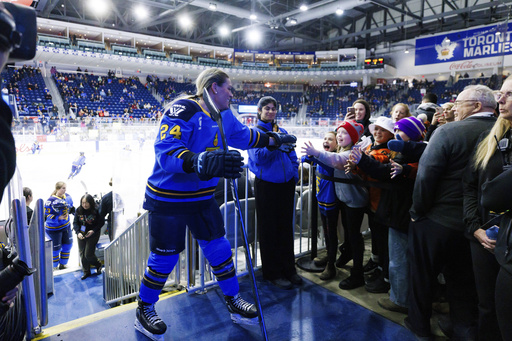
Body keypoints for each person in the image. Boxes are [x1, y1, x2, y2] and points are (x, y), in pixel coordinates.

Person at [136, 68, 295, 340]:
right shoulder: (183, 109)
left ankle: (232, 298)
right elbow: (166, 151)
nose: (232, 93)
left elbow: (244, 137)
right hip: (168, 198)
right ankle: (145, 308)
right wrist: (198, 161)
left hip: (202, 197)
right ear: (213, 87)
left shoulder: (224, 116)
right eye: (229, 88)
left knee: (219, 248)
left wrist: (273, 140)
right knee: (164, 258)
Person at [406, 85, 497, 339]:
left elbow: (426, 177)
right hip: (478, 226)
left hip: (437, 221)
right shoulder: (502, 131)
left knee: (422, 276)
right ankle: (463, 329)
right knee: (464, 284)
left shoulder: (448, 131)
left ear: (477, 106)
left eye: (459, 103)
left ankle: (419, 324)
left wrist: (417, 211)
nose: (454, 107)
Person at [349, 116, 426, 314]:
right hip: (401, 212)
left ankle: (400, 299)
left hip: (400, 213)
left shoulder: (411, 153)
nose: (396, 134)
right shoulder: (411, 151)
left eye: (400, 131)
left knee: (398, 258)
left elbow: (383, 171)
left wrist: (362, 159)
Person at [462, 78, 512, 341]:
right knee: (486, 306)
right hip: (484, 236)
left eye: (509, 94)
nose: (500, 100)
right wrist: (474, 229)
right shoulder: (488, 138)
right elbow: (470, 187)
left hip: (509, 242)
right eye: (500, 94)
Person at [302, 121, 368, 289]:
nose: (339, 136)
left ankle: (357, 273)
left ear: (352, 137)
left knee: (353, 236)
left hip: (354, 201)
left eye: (343, 133)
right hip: (345, 200)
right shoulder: (344, 149)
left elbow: (337, 161)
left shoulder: (352, 152)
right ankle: (346, 259)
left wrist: (316, 153)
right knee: (348, 234)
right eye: (338, 133)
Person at [248, 96, 300, 290]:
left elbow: (292, 153)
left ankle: (289, 269)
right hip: (267, 186)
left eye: (273, 108)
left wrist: (294, 173)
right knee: (269, 230)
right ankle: (272, 272)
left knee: (286, 228)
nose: (270, 112)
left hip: (286, 184)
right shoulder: (255, 133)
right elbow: (259, 159)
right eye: (267, 108)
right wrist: (274, 143)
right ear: (260, 111)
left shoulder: (282, 130)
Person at [301, 131, 339, 280]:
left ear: (336, 144)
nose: (327, 141)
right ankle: (329, 257)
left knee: (331, 234)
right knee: (326, 232)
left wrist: (316, 155)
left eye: (330, 139)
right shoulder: (322, 156)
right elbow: (306, 159)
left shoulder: (334, 159)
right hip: (322, 200)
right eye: (325, 138)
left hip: (330, 201)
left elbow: (330, 168)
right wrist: (311, 156)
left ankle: (331, 265)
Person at [44, 181, 74, 270]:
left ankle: (63, 264)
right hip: (54, 229)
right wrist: (58, 218)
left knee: (67, 246)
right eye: (63, 188)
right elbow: (46, 216)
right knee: (55, 250)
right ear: (57, 189)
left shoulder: (68, 197)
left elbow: (71, 208)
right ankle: (54, 267)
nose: (65, 190)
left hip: (66, 227)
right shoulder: (50, 201)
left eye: (65, 188)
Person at [73, 194, 104, 280]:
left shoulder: (97, 210)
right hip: (81, 234)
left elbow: (101, 223)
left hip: (93, 233)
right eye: (83, 203)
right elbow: (75, 223)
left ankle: (98, 264)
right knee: (82, 254)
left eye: (86, 203)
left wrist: (93, 231)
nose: (84, 205)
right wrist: (78, 232)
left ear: (90, 202)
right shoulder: (78, 210)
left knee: (88, 254)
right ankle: (86, 272)